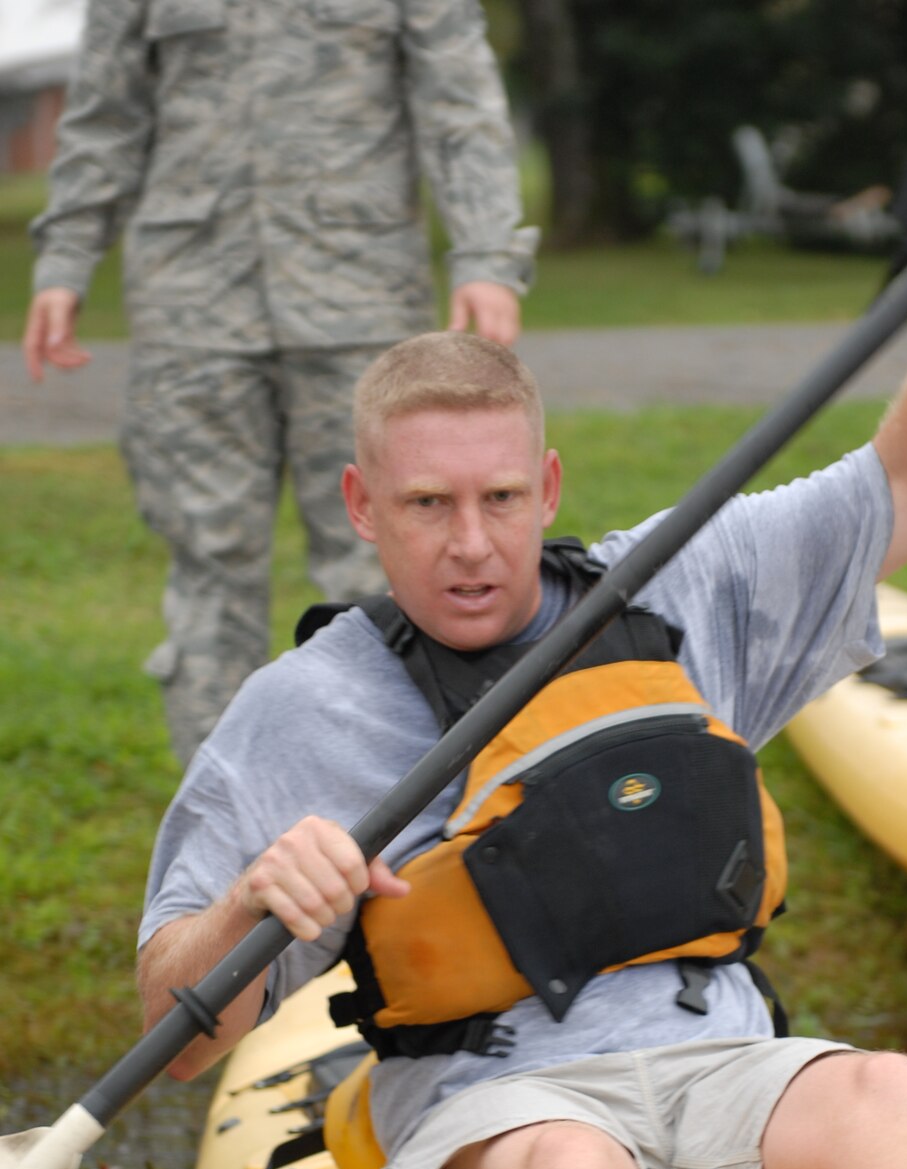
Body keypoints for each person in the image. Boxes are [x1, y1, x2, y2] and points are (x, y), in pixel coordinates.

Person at [135, 154, 907, 1169]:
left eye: (502, 497)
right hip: (500, 1119)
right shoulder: (295, 713)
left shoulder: (682, 584)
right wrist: (249, 904)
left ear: (549, 485)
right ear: (360, 504)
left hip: (727, 1079)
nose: (471, 543)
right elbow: (176, 1035)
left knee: (880, 1088)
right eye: (426, 504)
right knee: (574, 1168)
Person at [22, 0, 537, 767]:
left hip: (359, 302)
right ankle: (223, 827)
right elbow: (105, 113)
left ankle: (392, 816)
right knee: (209, 573)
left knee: (388, 567)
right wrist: (66, 260)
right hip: (192, 307)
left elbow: (458, 98)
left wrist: (488, 254)